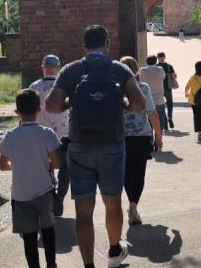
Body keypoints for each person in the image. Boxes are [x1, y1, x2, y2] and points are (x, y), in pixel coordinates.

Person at [46, 25, 146, 268]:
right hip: (112, 144)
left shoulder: (71, 70)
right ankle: (114, 252)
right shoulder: (119, 69)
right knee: (112, 202)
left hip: (80, 145)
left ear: (83, 47)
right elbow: (139, 104)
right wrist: (120, 101)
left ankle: (89, 264)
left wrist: (73, 100)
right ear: (107, 44)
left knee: (83, 209)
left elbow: (52, 106)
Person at [0, 89, 61, 268]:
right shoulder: (47, 133)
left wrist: (17, 165)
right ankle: (51, 264)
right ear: (39, 110)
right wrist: (46, 163)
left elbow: (2, 165)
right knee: (48, 230)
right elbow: (57, 163)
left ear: (17, 112)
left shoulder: (9, 137)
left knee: (29, 236)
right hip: (44, 190)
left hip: (21, 194)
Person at [120, 56, 163, 225]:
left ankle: (130, 200)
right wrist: (159, 136)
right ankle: (133, 204)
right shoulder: (142, 88)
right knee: (139, 172)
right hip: (142, 136)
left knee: (126, 172)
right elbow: (152, 113)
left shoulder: (116, 89)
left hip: (121, 137)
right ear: (137, 70)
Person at [29, 54, 70, 217]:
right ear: (58, 68)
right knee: (66, 167)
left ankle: (50, 195)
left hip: (40, 135)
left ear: (43, 68)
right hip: (63, 134)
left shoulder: (33, 86)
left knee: (45, 168)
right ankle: (59, 197)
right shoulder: (65, 86)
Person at [139, 55, 169, 133]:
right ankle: (158, 138)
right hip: (159, 100)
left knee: (149, 124)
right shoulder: (160, 70)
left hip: (147, 101)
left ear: (146, 61)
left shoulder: (142, 70)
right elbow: (163, 77)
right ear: (156, 61)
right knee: (160, 122)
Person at [157, 52, 177, 129]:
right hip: (168, 87)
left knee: (161, 105)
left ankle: (165, 123)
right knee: (169, 103)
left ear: (157, 58)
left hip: (159, 88)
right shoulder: (169, 66)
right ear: (164, 57)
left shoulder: (156, 66)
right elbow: (174, 76)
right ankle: (170, 117)